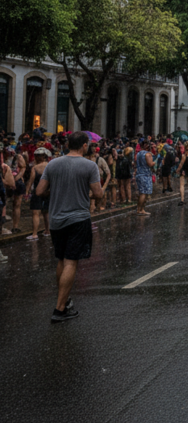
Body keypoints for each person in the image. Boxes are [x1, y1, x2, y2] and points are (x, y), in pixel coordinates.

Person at [37, 131, 104, 323]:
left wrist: (58, 190)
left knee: (61, 259)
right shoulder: (89, 165)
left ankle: (64, 301)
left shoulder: (53, 163)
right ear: (84, 145)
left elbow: (40, 191)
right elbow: (98, 194)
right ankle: (60, 309)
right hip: (78, 218)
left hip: (56, 219)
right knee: (71, 261)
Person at [26, 148, 52, 239]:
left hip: (37, 192)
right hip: (49, 192)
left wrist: (27, 191)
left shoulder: (35, 168)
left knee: (35, 213)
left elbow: (31, 181)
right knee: (46, 212)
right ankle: (48, 231)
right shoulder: (50, 166)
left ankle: (34, 234)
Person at [133, 144, 154, 217]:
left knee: (141, 192)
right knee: (144, 193)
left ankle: (139, 209)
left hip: (139, 174)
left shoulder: (138, 154)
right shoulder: (147, 154)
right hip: (145, 175)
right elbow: (150, 164)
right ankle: (141, 209)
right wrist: (155, 162)